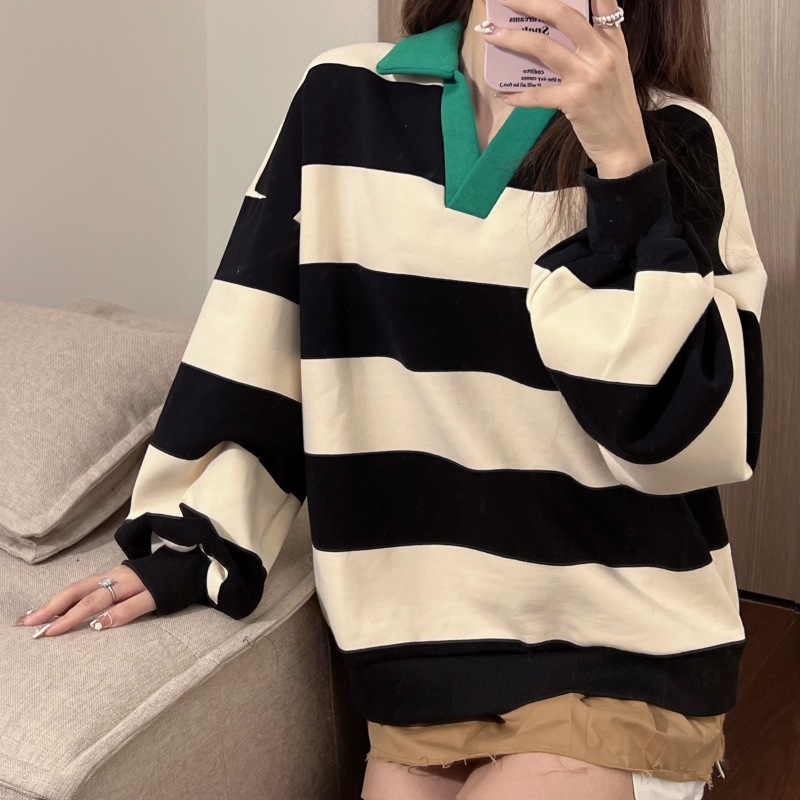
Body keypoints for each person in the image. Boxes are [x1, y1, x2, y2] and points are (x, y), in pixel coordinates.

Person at [15, 0, 767, 797]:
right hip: (423, 655)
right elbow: (260, 333)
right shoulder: (342, 95)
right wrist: (189, 542)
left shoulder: (674, 136)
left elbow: (694, 439)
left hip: (624, 646)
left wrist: (623, 164)